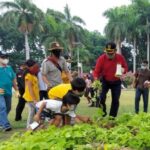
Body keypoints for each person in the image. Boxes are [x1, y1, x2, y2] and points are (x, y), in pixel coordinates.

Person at [93, 42, 128, 117]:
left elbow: (125, 68)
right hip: (105, 81)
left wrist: (123, 70)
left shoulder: (120, 58)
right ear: (105, 51)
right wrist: (96, 80)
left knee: (115, 100)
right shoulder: (101, 58)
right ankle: (103, 112)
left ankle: (112, 117)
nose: (109, 55)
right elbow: (96, 71)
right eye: (107, 53)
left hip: (116, 82)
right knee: (101, 97)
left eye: (111, 53)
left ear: (115, 51)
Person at [0, 51, 19, 131]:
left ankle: (1, 122)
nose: (5, 59)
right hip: (0, 92)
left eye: (6, 57)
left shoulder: (9, 68)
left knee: (8, 107)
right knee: (2, 107)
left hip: (8, 91)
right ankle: (6, 125)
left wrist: (17, 90)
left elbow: (13, 80)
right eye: (3, 57)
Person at [23, 59, 40, 128]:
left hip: (35, 97)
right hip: (31, 98)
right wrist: (34, 99)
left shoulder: (33, 75)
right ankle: (29, 127)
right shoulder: (28, 76)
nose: (36, 68)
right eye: (34, 67)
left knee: (33, 112)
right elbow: (29, 88)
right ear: (29, 67)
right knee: (33, 113)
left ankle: (32, 127)